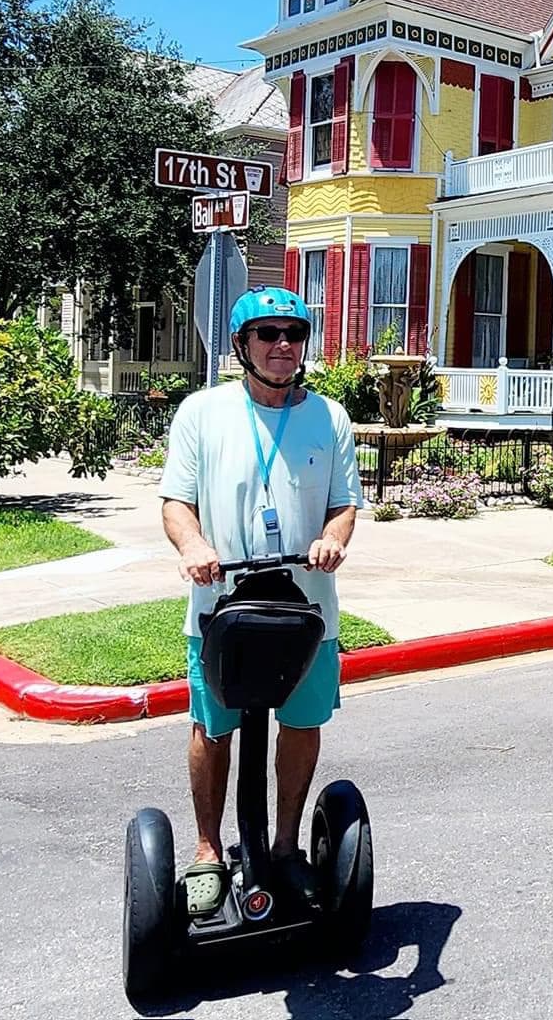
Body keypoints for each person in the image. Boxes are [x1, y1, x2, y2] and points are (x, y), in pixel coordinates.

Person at [160, 287, 362, 914]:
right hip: (221, 607)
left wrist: (331, 539)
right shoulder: (201, 412)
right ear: (242, 345)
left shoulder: (329, 418)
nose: (283, 346)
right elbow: (176, 502)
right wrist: (193, 546)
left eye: (294, 335)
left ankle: (283, 847)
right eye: (268, 334)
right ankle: (207, 850)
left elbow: (344, 503)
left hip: (307, 613)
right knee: (213, 727)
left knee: (301, 725)